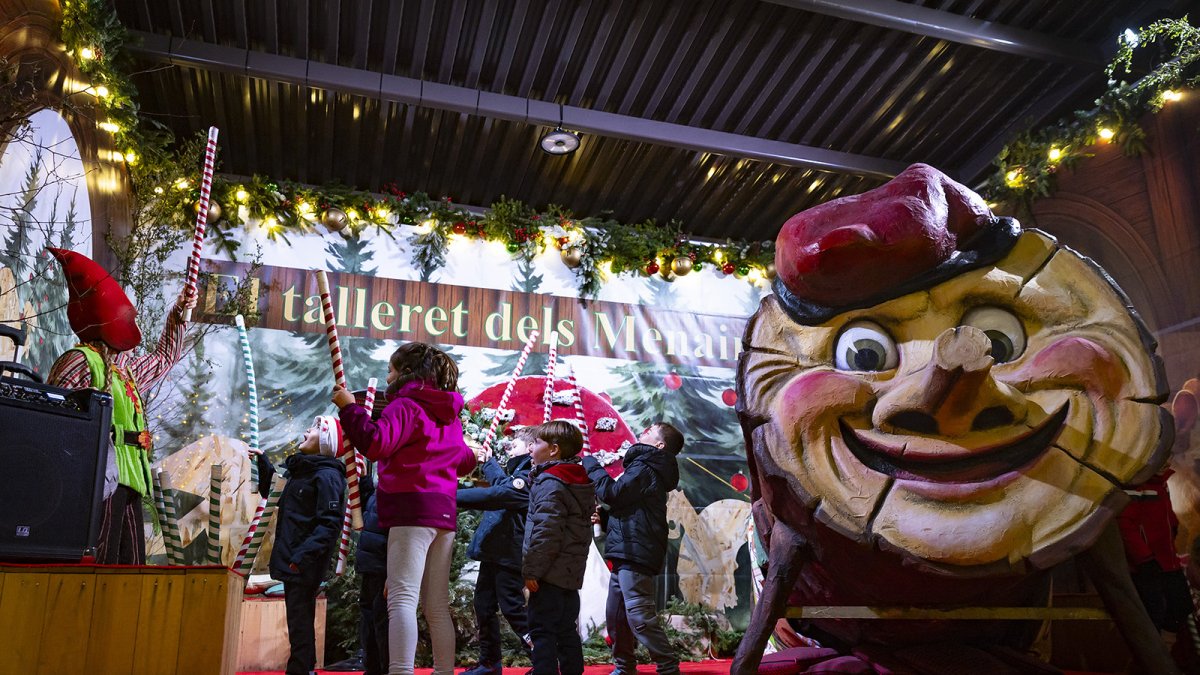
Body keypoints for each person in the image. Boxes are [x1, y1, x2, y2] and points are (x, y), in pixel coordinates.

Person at [334, 342, 476, 675]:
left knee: (401, 599)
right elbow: (464, 460)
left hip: (411, 508)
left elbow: (375, 443)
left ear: (407, 373)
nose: (387, 376)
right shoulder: (449, 416)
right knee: (436, 605)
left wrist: (349, 409)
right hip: (443, 513)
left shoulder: (406, 406)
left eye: (391, 370)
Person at [46, 248, 193, 564]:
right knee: (99, 567)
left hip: (129, 486)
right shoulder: (81, 362)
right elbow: (55, 422)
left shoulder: (125, 370)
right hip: (99, 485)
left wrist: (178, 316)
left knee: (129, 571)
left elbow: (163, 359)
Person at [582, 422, 684, 675]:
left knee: (639, 616)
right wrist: (607, 520)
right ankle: (624, 667)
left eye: (651, 430)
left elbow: (612, 493)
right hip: (627, 549)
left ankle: (668, 667)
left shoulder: (646, 466)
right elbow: (633, 508)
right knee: (616, 617)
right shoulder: (647, 468)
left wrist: (592, 466)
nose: (644, 431)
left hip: (636, 552)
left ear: (659, 445)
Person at [263, 416, 348, 675]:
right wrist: (262, 463)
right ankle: (302, 667)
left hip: (303, 560)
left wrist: (301, 557)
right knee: (297, 618)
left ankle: (301, 668)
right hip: (293, 555)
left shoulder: (327, 477)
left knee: (300, 618)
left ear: (324, 440)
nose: (305, 431)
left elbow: (329, 524)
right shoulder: (301, 473)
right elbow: (276, 496)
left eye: (312, 429)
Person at [457, 426, 536, 675]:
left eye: (515, 445)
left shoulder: (528, 474)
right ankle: (489, 662)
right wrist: (489, 463)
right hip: (495, 552)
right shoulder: (515, 473)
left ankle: (541, 658)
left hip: (509, 554)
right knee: (483, 604)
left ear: (531, 447)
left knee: (512, 608)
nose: (510, 448)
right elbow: (503, 485)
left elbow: (500, 493)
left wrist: (450, 495)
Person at [522, 420, 596, 675]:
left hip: (549, 572)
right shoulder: (578, 480)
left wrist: (532, 570)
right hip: (569, 573)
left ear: (554, 449)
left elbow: (546, 531)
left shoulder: (550, 481)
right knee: (566, 632)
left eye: (538, 442)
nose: (532, 447)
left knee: (542, 631)